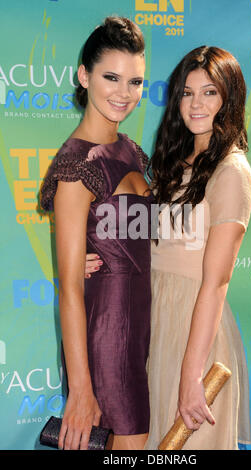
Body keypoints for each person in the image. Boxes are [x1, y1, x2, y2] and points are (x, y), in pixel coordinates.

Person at [86, 45, 251, 450]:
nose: (196, 104)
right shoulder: (172, 163)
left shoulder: (232, 171)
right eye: (187, 92)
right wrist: (93, 257)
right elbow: (141, 241)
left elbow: (215, 284)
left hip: (193, 330)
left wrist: (192, 375)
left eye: (209, 92)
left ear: (229, 98)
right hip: (148, 318)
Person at [40, 16, 152, 450]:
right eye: (111, 77)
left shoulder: (131, 150)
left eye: (136, 81)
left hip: (140, 330)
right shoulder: (75, 167)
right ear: (84, 76)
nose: (124, 93)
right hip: (105, 339)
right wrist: (82, 391)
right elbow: (69, 290)